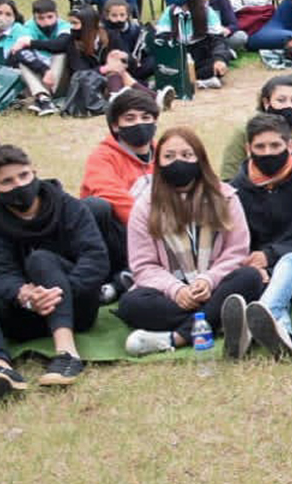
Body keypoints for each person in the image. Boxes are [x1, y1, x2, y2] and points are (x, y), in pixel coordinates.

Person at [116, 127, 271, 358]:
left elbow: (237, 253)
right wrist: (176, 289)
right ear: (158, 162)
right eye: (169, 157)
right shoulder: (145, 206)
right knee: (131, 303)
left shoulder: (226, 197)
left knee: (249, 277)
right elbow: (143, 266)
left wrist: (208, 280)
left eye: (187, 155)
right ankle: (220, 321)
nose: (178, 162)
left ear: (200, 158)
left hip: (216, 286)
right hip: (172, 294)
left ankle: (176, 338)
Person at [0, 145, 107, 388]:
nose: (19, 185)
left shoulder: (68, 206)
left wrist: (58, 292)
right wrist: (25, 295)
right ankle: (2, 367)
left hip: (77, 306)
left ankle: (67, 354)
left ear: (35, 173)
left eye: (24, 176)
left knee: (41, 259)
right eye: (7, 181)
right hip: (27, 309)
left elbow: (95, 258)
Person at [218, 74, 292, 181]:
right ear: (266, 103)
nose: (288, 105)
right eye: (281, 100)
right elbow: (229, 177)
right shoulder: (245, 131)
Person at [79, 88, 161, 228]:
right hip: (123, 231)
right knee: (97, 206)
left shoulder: (165, 152)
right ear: (115, 126)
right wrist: (149, 226)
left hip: (165, 227)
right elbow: (110, 194)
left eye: (145, 117)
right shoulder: (102, 158)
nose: (139, 123)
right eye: (130, 118)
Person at [155, 0, 231, 90]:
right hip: (177, 53)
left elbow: (218, 40)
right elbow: (162, 38)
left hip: (200, 54)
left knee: (216, 66)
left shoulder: (206, 12)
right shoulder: (169, 12)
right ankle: (200, 81)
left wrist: (219, 59)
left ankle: (184, 81)